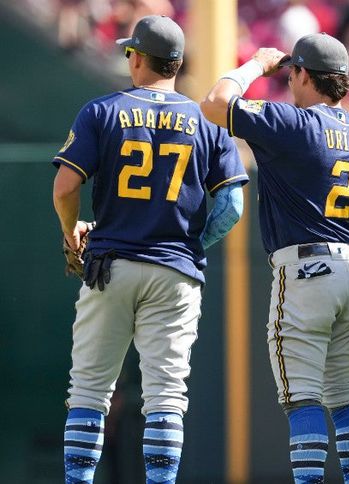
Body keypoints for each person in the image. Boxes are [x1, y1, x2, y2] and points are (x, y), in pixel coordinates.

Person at [53, 15, 249, 484]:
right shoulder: (206, 123)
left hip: (111, 265)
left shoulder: (102, 110)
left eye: (130, 52)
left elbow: (65, 188)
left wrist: (70, 231)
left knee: (89, 391)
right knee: (165, 396)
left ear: (138, 58)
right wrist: (189, 243)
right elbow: (233, 206)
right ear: (177, 64)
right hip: (175, 272)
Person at [200, 33, 349, 484]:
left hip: (306, 271)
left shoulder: (293, 123)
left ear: (304, 74)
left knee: (303, 398)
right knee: (347, 398)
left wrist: (255, 65)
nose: (289, 80)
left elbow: (215, 103)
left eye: (293, 73)